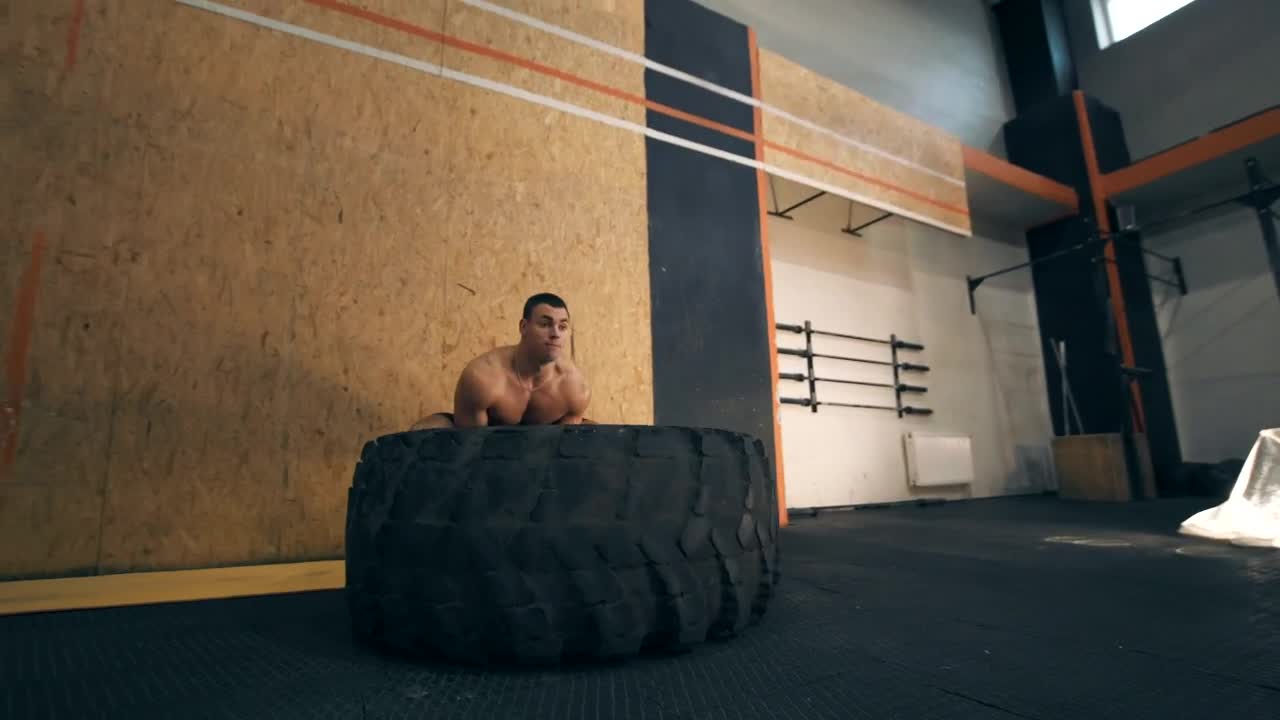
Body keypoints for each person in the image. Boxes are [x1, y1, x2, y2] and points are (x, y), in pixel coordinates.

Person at [411, 292, 592, 429]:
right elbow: (469, 448)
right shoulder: (483, 377)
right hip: (485, 451)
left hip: (540, 455)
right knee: (427, 428)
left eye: (563, 326)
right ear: (523, 327)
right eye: (545, 324)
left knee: (595, 432)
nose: (555, 334)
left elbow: (565, 454)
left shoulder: (575, 388)